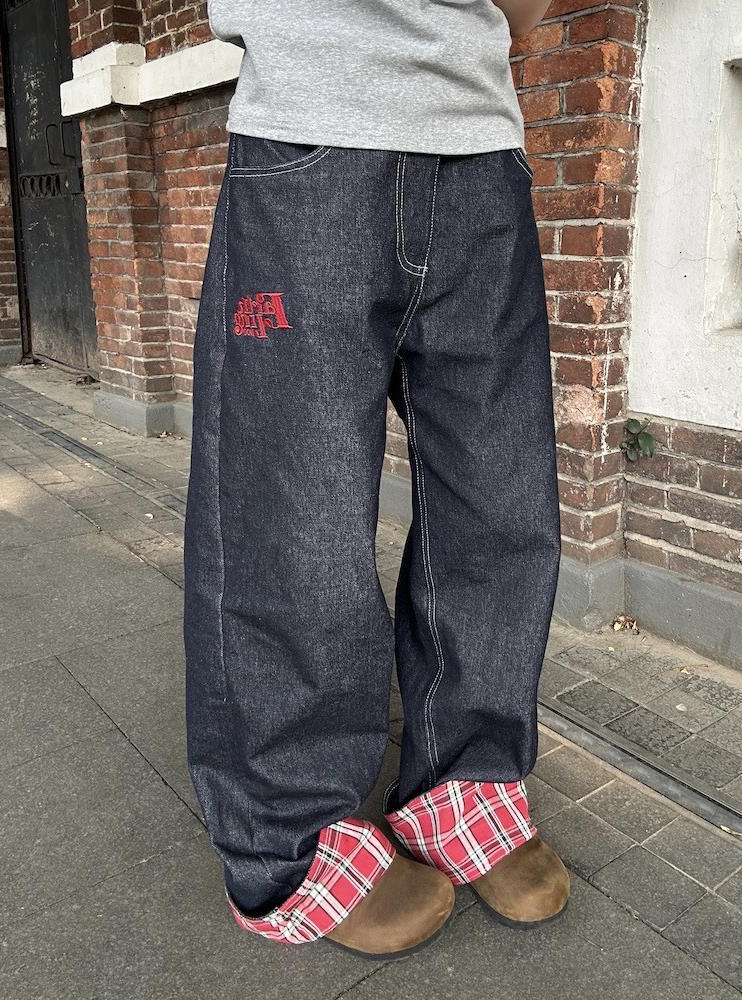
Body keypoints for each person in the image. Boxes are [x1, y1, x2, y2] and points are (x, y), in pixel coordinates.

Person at [185, 0, 568, 959]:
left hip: (482, 148)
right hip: (310, 137)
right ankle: (285, 834)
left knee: (499, 500)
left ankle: (464, 778)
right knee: (293, 514)